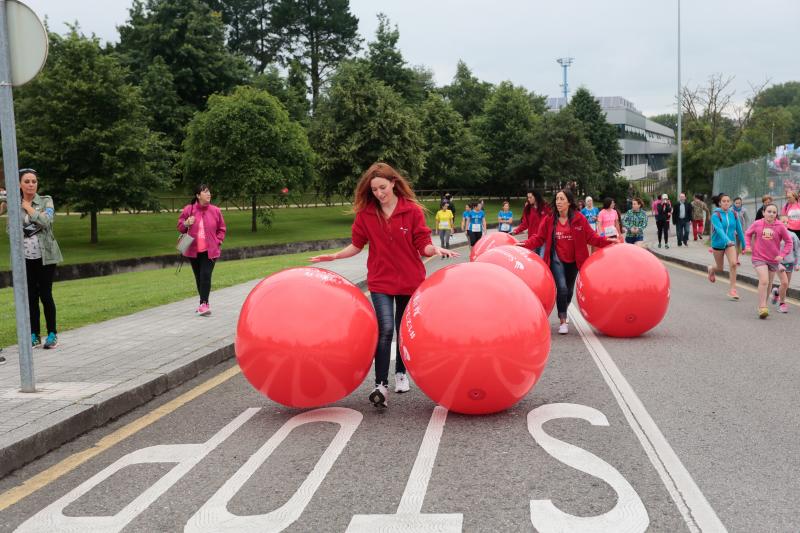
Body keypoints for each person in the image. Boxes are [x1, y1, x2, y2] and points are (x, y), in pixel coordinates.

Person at [310, 162, 458, 408]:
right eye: (375, 190)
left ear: (393, 183)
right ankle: (381, 385)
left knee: (402, 330)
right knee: (385, 329)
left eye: (382, 187)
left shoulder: (411, 211)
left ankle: (401, 372)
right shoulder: (367, 214)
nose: (379, 193)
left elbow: (422, 244)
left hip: (410, 280)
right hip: (380, 280)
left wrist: (436, 248)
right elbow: (357, 245)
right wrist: (334, 256)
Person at [518, 189, 615, 335]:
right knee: (562, 288)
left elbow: (592, 238)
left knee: (569, 290)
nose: (558, 202)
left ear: (569, 202)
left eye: (562, 199)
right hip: (557, 259)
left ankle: (564, 307)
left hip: (574, 260)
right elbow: (539, 238)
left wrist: (609, 242)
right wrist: (524, 244)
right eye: (557, 199)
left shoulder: (579, 219)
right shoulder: (550, 219)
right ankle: (562, 320)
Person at [18, 169, 63, 349]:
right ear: (20, 184)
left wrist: (27, 207)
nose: (31, 184)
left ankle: (52, 334)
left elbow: (46, 222)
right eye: (27, 181)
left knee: (46, 295)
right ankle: (34, 335)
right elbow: (10, 228)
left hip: (46, 257)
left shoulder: (46, 200)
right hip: (25, 259)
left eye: (34, 181)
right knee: (30, 297)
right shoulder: (13, 203)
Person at [177, 184, 227, 316]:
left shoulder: (215, 210)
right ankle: (202, 303)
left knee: (205, 275)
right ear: (198, 195)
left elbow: (222, 228)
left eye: (209, 191)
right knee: (199, 277)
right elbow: (180, 227)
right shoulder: (189, 209)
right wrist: (186, 223)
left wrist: (218, 241)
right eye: (205, 192)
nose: (209, 194)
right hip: (193, 251)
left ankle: (204, 304)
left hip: (210, 251)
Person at [744, 204, 791, 319]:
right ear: (763, 212)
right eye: (769, 211)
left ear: (776, 215)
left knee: (769, 283)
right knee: (764, 280)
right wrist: (748, 246)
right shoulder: (757, 223)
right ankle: (762, 306)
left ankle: (764, 306)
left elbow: (789, 242)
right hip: (759, 257)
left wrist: (782, 255)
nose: (771, 214)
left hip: (773, 259)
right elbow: (747, 234)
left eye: (774, 212)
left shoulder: (780, 226)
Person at [707, 193, 746, 301]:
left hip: (730, 244)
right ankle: (711, 269)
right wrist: (727, 240)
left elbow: (739, 229)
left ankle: (733, 289)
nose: (726, 203)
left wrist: (744, 244)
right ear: (719, 203)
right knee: (720, 268)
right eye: (724, 201)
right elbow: (719, 230)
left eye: (728, 201)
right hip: (718, 244)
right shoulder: (716, 215)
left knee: (733, 264)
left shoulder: (733, 213)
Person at [771, 216, 800, 312]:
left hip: (790, 263)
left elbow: (797, 250)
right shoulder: (774, 234)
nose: (785, 224)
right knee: (784, 282)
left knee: (786, 284)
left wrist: (797, 263)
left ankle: (776, 292)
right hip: (778, 263)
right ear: (778, 222)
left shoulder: (793, 235)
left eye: (787, 222)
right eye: (783, 221)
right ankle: (782, 304)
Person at [513, 190, 549, 257]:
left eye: (530, 197)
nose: (529, 199)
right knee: (534, 259)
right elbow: (525, 224)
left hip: (544, 239)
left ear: (536, 197)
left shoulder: (546, 207)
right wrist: (515, 231)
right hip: (532, 240)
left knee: (542, 258)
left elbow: (550, 222)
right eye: (528, 197)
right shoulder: (528, 208)